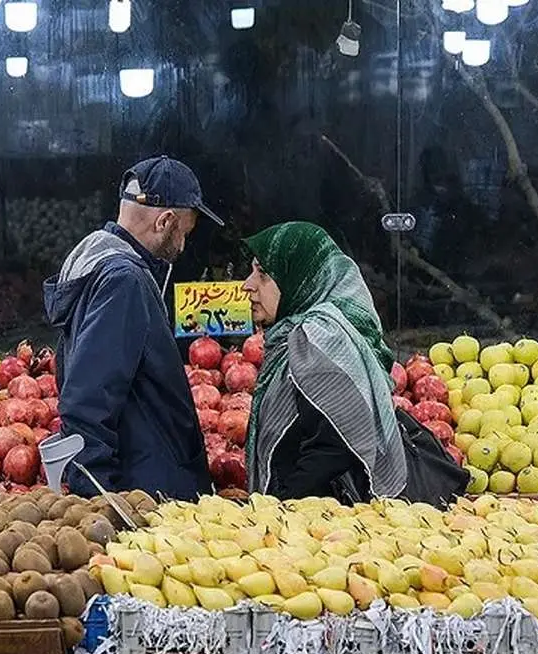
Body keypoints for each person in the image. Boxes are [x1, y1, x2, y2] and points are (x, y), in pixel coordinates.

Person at [43, 156, 222, 500]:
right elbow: (90, 399)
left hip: (140, 479)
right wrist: (100, 498)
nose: (183, 245)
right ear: (165, 221)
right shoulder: (124, 281)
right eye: (184, 233)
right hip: (144, 490)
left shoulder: (97, 263)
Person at [241, 221, 408, 501]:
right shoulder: (294, 337)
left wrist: (284, 505)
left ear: (302, 279)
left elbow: (335, 447)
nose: (248, 285)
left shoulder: (321, 339)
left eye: (263, 274)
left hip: (319, 516)